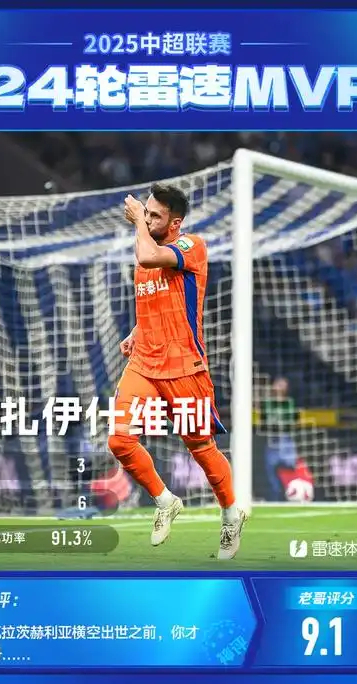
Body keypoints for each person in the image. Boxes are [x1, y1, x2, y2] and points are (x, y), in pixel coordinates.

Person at [107, 183, 247, 560]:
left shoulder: (191, 246)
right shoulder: (145, 251)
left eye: (155, 215)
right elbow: (157, 302)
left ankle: (231, 513)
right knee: (119, 440)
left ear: (175, 223)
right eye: (146, 212)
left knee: (201, 448)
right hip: (144, 365)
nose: (147, 218)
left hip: (185, 368)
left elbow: (151, 256)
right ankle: (165, 501)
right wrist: (136, 332)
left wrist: (138, 223)